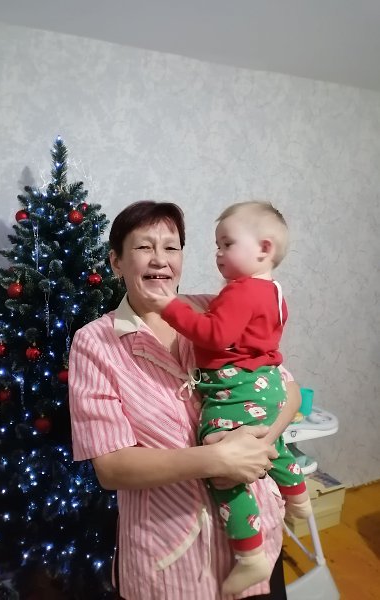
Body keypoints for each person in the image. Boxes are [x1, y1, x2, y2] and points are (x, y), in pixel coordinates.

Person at [68, 200, 299, 600]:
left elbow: (287, 390)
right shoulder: (94, 343)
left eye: (171, 247)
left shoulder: (216, 309)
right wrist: (217, 459)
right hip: (170, 560)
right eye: (144, 247)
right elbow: (111, 468)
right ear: (116, 261)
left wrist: (257, 445)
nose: (160, 259)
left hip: (258, 540)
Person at [142, 201, 311, 595]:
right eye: (217, 246)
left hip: (236, 389)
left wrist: (170, 307)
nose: (218, 254)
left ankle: (250, 555)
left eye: (228, 244)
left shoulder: (242, 291)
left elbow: (215, 335)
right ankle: (298, 493)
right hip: (266, 385)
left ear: (264, 249)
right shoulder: (274, 292)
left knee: (220, 460)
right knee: (268, 441)